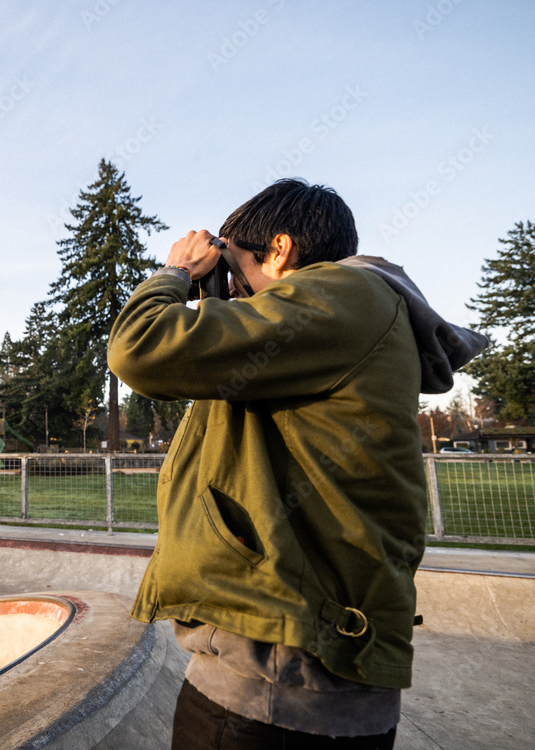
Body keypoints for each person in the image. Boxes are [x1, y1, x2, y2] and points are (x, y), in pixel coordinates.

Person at [107, 179, 487, 749]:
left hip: (276, 684)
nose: (235, 292)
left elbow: (141, 348)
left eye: (236, 270)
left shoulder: (342, 294)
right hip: (295, 658)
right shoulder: (345, 314)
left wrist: (177, 274)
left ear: (280, 251)